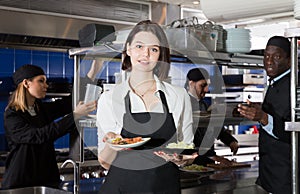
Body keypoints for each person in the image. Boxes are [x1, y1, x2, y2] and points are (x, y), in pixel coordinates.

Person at [96, 20, 195, 194]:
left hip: (164, 187)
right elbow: (104, 162)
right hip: (121, 188)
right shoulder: (109, 99)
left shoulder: (178, 96)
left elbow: (187, 148)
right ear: (128, 49)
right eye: (139, 46)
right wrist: (112, 144)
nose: (146, 54)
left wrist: (182, 159)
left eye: (154, 49)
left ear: (160, 54)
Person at [2, 64, 97, 189]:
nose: (46, 85)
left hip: (47, 178)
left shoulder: (40, 109)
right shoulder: (12, 115)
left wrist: (94, 71)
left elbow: (69, 102)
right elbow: (40, 136)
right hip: (21, 181)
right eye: (41, 81)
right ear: (26, 83)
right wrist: (75, 115)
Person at [237, 36, 298, 194]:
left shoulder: (295, 85)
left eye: (276, 56)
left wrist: (263, 118)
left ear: (289, 60)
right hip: (269, 174)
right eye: (266, 56)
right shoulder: (274, 82)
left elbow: (295, 130)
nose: (269, 61)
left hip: (286, 175)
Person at [185, 68, 239, 165]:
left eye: (208, 85)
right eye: (203, 85)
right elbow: (190, 140)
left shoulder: (204, 105)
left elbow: (215, 127)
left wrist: (230, 141)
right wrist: (212, 156)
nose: (206, 89)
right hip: (191, 162)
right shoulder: (182, 104)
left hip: (207, 161)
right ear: (191, 84)